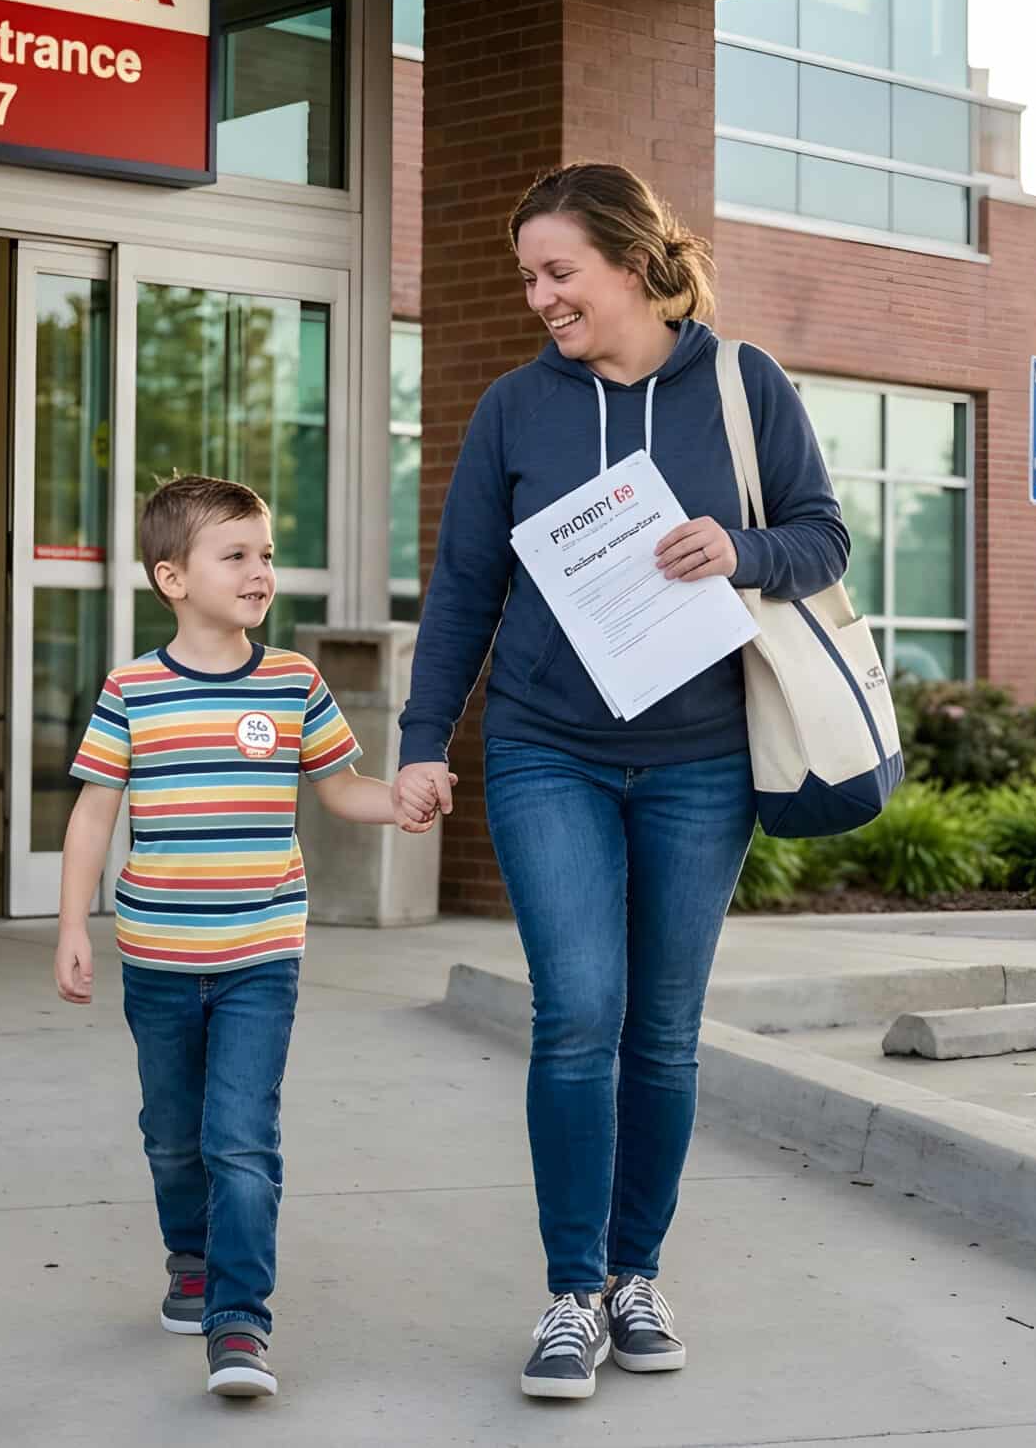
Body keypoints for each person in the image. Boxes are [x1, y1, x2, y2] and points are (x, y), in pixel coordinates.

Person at [392, 163, 848, 1399]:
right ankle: (565, 1294)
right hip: (549, 750)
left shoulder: (746, 385)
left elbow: (822, 533)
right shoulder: (513, 410)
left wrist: (740, 548)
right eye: (528, 276)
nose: (540, 295)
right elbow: (464, 590)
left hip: (702, 760)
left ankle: (633, 1276)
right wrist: (424, 739)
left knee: (660, 1030)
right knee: (577, 1009)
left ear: (637, 264)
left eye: (558, 272)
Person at [53, 474, 431, 1400]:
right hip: (159, 958)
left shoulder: (294, 681)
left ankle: (239, 1323)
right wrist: (72, 925)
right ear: (172, 577)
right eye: (237, 555)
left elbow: (340, 788)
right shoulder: (133, 689)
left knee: (241, 1138)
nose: (260, 570)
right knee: (173, 1136)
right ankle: (190, 1255)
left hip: (262, 953)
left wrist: (400, 800)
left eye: (265, 553)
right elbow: (94, 815)